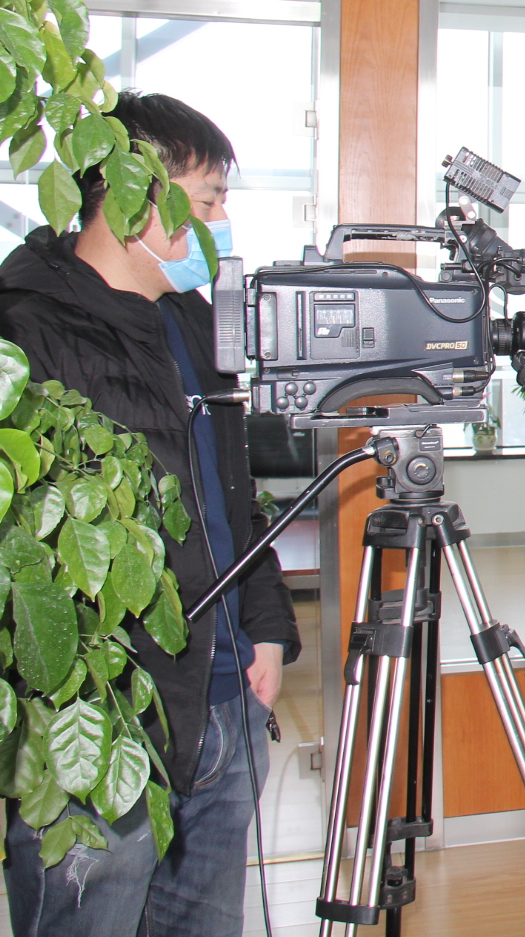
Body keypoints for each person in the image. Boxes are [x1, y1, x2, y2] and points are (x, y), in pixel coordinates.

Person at [0, 92, 300, 936]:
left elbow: (233, 491)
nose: (219, 222)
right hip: (102, 721)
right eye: (206, 200)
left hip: (227, 696)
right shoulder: (25, 328)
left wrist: (266, 625)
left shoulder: (192, 322)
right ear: (135, 197)